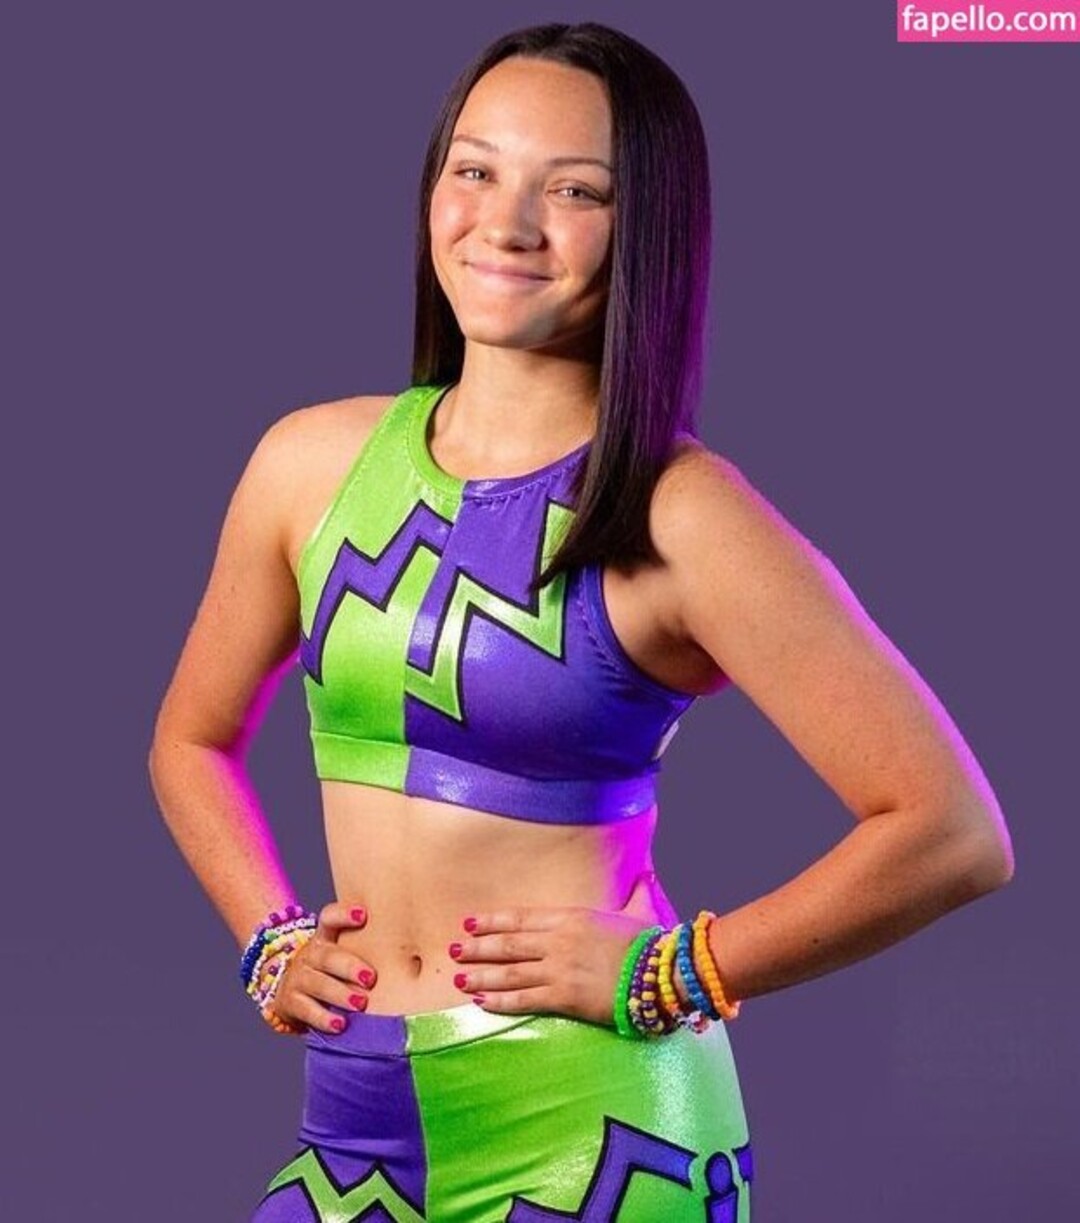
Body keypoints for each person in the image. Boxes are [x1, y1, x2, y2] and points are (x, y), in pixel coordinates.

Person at [148, 21, 1014, 1223]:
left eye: (575, 190)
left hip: (599, 1131)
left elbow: (953, 831)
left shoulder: (682, 512)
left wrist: (681, 968)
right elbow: (189, 740)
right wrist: (269, 939)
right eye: (475, 168)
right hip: (355, 1113)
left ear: (646, 226)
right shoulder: (305, 463)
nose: (507, 223)